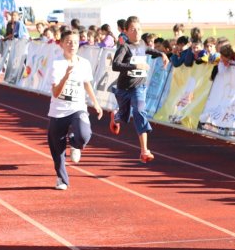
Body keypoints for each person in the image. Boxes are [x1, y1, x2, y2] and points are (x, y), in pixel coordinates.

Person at [47, 30, 103, 190]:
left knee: (84, 134)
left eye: (75, 42)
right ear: (62, 44)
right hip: (58, 110)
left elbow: (87, 84)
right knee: (57, 149)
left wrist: (96, 103)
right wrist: (65, 76)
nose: (72, 45)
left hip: (77, 107)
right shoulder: (56, 63)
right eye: (69, 42)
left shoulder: (84, 63)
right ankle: (62, 179)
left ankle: (75, 143)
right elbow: (56, 92)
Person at [110, 16, 169, 163]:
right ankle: (116, 115)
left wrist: (161, 54)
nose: (136, 32)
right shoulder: (124, 47)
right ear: (126, 31)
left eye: (138, 29)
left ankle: (144, 150)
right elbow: (115, 65)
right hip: (124, 88)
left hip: (139, 87)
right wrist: (135, 66)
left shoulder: (142, 43)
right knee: (123, 117)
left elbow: (148, 50)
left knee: (139, 111)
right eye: (133, 29)